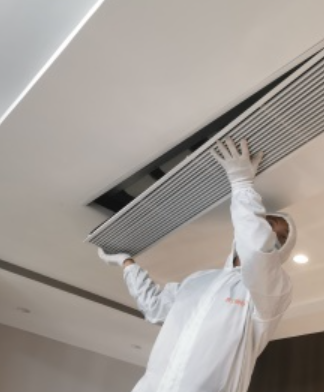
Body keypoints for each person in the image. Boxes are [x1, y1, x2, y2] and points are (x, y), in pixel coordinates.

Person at [97, 138, 297, 392]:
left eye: (280, 236)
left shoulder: (273, 291)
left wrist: (242, 185)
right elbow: (156, 309)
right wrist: (128, 265)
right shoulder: (200, 280)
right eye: (266, 224)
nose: (270, 234)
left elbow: (258, 251)